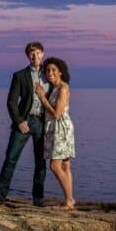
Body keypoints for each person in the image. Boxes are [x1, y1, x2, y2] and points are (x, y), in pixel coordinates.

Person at [0, 42, 48, 206]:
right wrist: (20, 121)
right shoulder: (19, 75)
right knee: (11, 158)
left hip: (42, 123)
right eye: (31, 53)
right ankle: (0, 194)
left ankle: (38, 198)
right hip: (25, 122)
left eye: (37, 53)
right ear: (28, 56)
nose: (34, 56)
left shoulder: (50, 73)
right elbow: (11, 102)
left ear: (43, 53)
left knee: (40, 162)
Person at [35, 56, 75, 210]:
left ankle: (69, 200)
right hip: (56, 128)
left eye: (53, 70)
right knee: (65, 165)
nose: (50, 73)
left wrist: (42, 98)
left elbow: (57, 113)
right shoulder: (55, 87)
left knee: (55, 166)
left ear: (60, 72)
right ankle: (69, 200)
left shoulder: (63, 88)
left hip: (60, 128)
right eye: (47, 70)